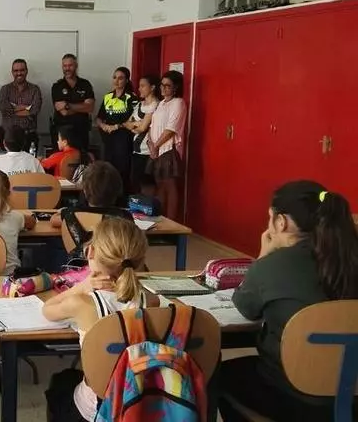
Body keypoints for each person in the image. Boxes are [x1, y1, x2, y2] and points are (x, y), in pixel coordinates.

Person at [219, 181, 358, 422]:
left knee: (217, 374)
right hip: (353, 399)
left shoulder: (272, 266)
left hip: (295, 399)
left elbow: (246, 306)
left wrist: (263, 257)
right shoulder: (350, 256)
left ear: (280, 222)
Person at [42, 217, 158, 422]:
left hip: (97, 410)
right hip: (139, 403)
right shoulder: (151, 300)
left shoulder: (81, 303)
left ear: (91, 252)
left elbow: (47, 309)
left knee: (61, 381)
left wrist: (81, 287)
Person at [51, 161, 133, 265]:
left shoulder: (72, 214)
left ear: (85, 190)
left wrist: (62, 211)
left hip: (80, 269)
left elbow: (54, 220)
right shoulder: (125, 217)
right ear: (118, 190)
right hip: (116, 268)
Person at [147, 70, 187, 220]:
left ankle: (171, 222)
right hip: (155, 150)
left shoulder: (178, 103)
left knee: (170, 187)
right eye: (162, 85)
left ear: (175, 87)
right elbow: (152, 126)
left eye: (167, 86)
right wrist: (151, 145)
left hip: (168, 150)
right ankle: (160, 220)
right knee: (159, 188)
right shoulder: (161, 103)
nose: (163, 88)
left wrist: (156, 145)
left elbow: (171, 129)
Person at [96, 67, 137, 188]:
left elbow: (133, 119)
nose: (116, 81)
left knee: (122, 169)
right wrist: (103, 125)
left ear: (126, 80)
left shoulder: (131, 97)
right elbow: (99, 117)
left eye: (120, 78)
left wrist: (116, 126)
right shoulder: (108, 96)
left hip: (123, 137)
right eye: (114, 77)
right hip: (108, 138)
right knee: (107, 168)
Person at [51, 54, 96, 152]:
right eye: (65, 66)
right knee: (63, 160)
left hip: (82, 131)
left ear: (76, 66)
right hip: (62, 132)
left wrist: (67, 105)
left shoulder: (85, 84)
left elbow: (90, 108)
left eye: (70, 65)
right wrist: (82, 107)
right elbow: (64, 112)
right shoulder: (57, 86)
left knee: (81, 158)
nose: (67, 68)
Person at [123, 74, 160, 194]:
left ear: (152, 87)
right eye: (139, 86)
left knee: (146, 186)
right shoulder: (140, 104)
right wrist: (139, 124)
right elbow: (127, 123)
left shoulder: (156, 104)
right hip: (136, 150)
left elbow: (142, 128)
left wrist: (138, 125)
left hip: (147, 151)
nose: (139, 89)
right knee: (134, 183)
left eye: (143, 86)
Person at [0, 59, 42, 151]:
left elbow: (35, 110)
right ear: (12, 72)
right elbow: (3, 108)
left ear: (27, 71)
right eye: (16, 71)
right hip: (8, 137)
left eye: (22, 70)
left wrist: (12, 110)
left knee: (30, 161)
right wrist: (26, 108)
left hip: (29, 136)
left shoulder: (35, 89)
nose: (19, 73)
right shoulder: (5, 89)